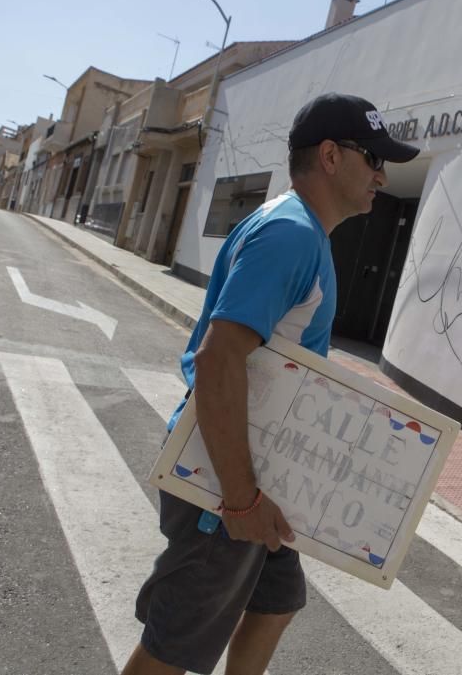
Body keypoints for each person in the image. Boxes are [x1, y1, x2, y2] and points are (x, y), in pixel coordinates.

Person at [121, 93, 419, 675]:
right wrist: (241, 499)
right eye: (374, 158)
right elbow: (219, 360)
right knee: (173, 646)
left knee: (277, 599)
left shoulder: (299, 229)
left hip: (260, 474)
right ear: (331, 156)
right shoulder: (290, 235)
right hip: (225, 480)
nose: (383, 175)